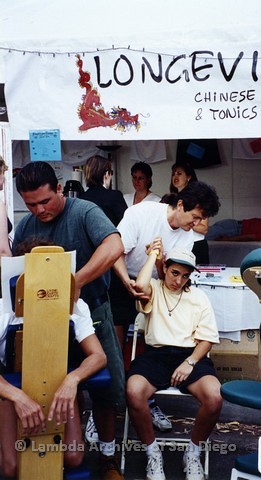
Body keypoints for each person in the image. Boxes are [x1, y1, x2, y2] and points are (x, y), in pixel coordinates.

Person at [12, 161, 125, 480]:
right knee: (48, 387)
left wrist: (75, 282)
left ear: (59, 189)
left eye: (45, 201)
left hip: (93, 314)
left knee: (108, 392)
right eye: (30, 204)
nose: (39, 210)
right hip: (43, 326)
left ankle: (107, 459)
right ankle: (53, 455)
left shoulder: (84, 211)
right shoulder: (25, 226)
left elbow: (114, 245)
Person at [114, 181, 220, 433]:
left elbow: (171, 274)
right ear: (180, 204)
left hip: (152, 283)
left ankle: (148, 400)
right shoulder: (142, 213)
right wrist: (125, 282)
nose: (195, 225)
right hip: (122, 276)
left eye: (200, 220)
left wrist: (157, 265)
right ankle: (106, 408)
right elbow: (115, 251)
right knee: (115, 349)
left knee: (151, 339)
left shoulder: (188, 235)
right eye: (194, 217)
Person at [0, 237, 107, 478]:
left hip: (57, 382)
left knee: (72, 456)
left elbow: (98, 357)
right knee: (12, 468)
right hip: (10, 388)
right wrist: (16, 396)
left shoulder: (75, 306)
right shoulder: (3, 309)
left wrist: (72, 380)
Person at [126, 241, 222, 480]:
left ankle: (192, 452)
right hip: (156, 355)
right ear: (165, 269)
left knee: (215, 396)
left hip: (190, 355)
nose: (178, 280)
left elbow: (207, 339)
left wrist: (189, 362)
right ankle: (152, 452)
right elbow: (139, 284)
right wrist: (154, 255)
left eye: (185, 276)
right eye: (174, 273)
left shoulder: (198, 297)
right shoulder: (155, 288)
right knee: (134, 391)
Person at [79, 154, 127, 444]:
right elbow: (119, 237)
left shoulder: (82, 202)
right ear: (108, 174)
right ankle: (110, 408)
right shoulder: (115, 197)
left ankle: (89, 425)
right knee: (112, 342)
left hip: (88, 280)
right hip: (108, 277)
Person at [162, 161, 209, 264]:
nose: (175, 176)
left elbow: (204, 228)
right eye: (173, 174)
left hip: (196, 244)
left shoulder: (199, 198)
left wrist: (184, 221)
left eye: (179, 173)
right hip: (175, 245)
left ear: (188, 177)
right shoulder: (169, 198)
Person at [80, 155, 127, 226]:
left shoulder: (81, 198)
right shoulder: (114, 196)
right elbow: (126, 223)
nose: (111, 176)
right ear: (106, 174)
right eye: (111, 172)